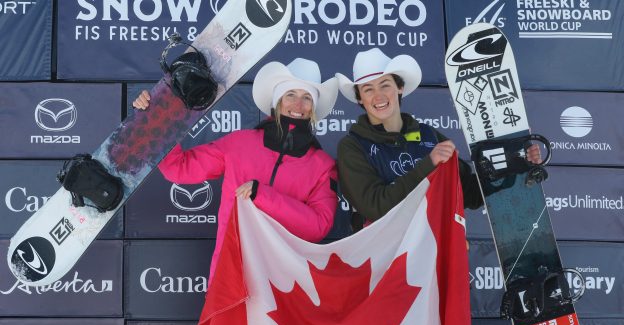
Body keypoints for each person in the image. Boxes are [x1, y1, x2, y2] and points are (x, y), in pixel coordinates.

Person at [132, 58, 339, 279]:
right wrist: (156, 118)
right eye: (291, 95)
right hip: (229, 278)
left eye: (307, 97)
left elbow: (319, 226)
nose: (298, 105)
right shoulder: (240, 143)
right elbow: (179, 169)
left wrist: (262, 195)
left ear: (314, 107)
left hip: (284, 285)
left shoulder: (323, 166)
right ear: (278, 101)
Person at [335, 48, 541, 231]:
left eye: (384, 85)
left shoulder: (429, 136)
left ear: (399, 88)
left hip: (434, 256)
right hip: (385, 263)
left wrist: (516, 162)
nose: (378, 96)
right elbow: (376, 207)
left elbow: (469, 193)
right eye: (368, 89)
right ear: (360, 98)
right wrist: (428, 165)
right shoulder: (352, 146)